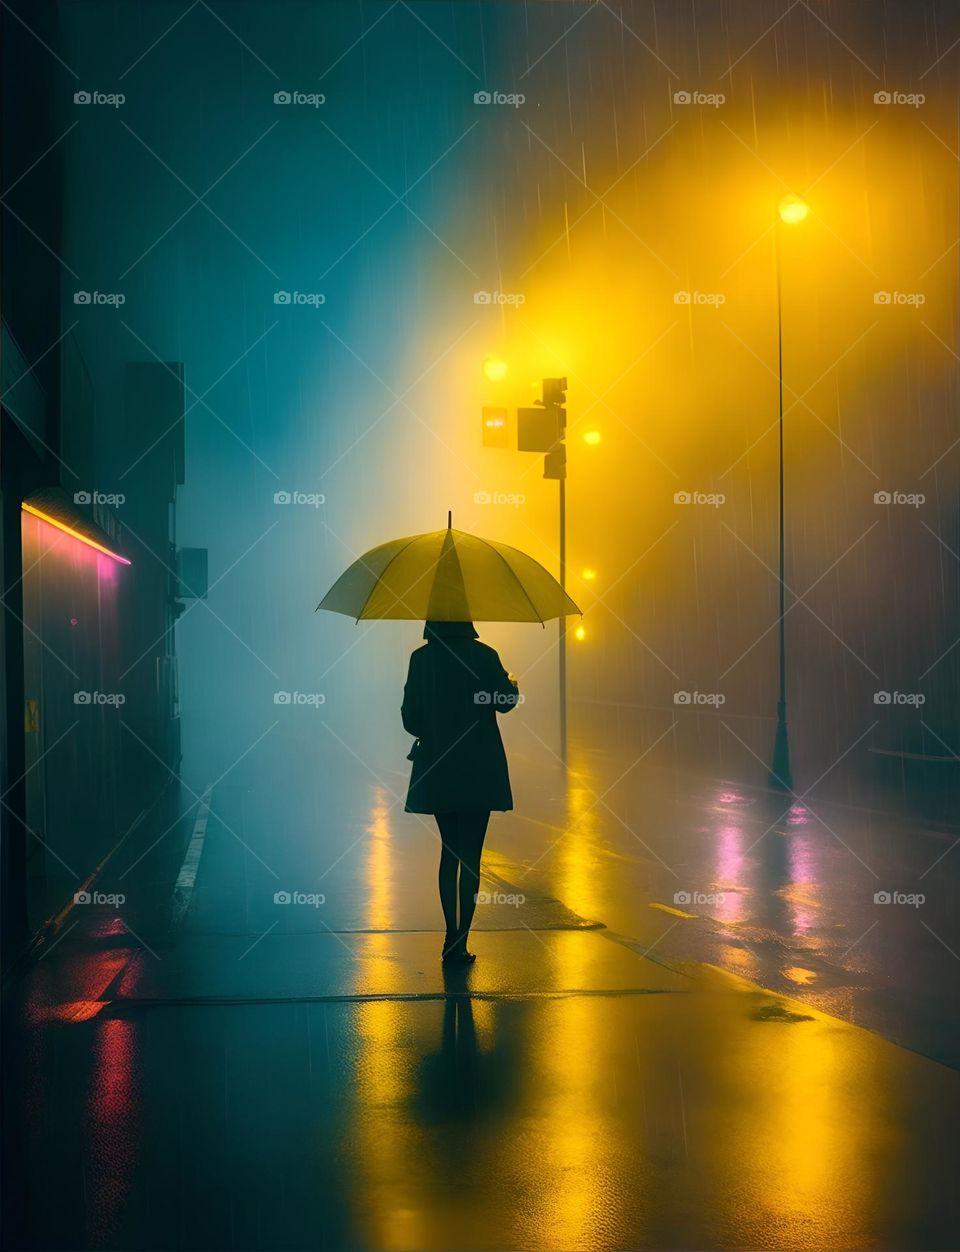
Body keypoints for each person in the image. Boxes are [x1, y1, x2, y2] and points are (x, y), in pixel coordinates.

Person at [401, 620, 520, 964]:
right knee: (471, 856)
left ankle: (449, 933)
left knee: (449, 851)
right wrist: (511, 682)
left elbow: (410, 719)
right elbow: (506, 702)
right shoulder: (485, 655)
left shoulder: (421, 659)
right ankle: (461, 941)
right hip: (479, 767)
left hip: (439, 766)